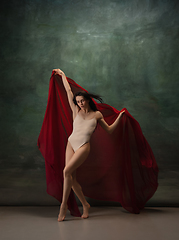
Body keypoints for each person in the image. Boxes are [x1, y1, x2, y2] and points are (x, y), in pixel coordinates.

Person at [53, 69, 125, 222]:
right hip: (70, 143)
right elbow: (68, 91)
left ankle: (63, 206)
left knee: (66, 172)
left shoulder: (97, 115)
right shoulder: (76, 111)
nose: (79, 103)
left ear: (87, 100)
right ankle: (85, 205)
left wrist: (120, 116)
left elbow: (110, 130)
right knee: (71, 178)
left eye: (82, 101)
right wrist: (62, 74)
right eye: (78, 101)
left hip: (83, 147)